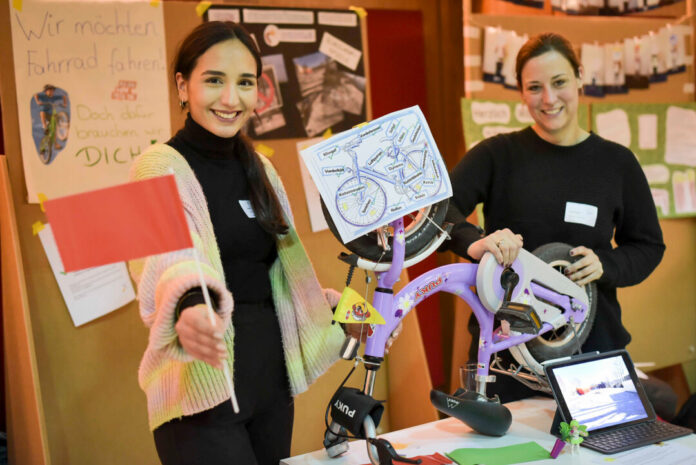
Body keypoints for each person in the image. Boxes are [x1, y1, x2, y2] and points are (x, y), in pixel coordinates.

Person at [128, 21, 398, 465]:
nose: (231, 99)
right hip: (202, 399)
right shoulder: (155, 167)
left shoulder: (263, 171)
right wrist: (192, 304)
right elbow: (168, 258)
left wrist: (346, 313)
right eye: (214, 80)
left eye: (246, 83)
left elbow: (285, 282)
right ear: (183, 85)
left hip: (271, 391)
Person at [445, 32, 674, 416]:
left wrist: (607, 265)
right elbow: (439, 212)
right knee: (509, 454)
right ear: (521, 92)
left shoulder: (616, 164)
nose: (548, 99)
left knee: (603, 450)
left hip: (592, 347)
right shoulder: (497, 155)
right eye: (534, 87)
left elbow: (648, 246)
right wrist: (475, 242)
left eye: (559, 82)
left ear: (580, 77)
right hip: (506, 352)